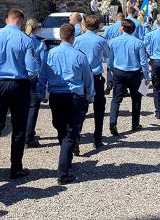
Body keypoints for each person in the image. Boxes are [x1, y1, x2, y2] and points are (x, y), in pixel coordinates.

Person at [0, 9, 37, 190]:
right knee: (18, 127)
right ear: (21, 22)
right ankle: (15, 167)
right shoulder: (25, 40)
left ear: (7, 19)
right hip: (18, 85)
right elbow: (32, 70)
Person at [38, 23, 94, 185]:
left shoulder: (49, 55)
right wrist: (90, 95)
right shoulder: (79, 55)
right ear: (73, 37)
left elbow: (42, 76)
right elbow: (87, 78)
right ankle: (63, 172)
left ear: (60, 36)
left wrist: (42, 93)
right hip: (74, 97)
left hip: (56, 96)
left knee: (62, 130)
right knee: (70, 133)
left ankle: (66, 159)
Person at [107, 19, 149, 136]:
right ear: (133, 30)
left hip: (119, 72)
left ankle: (113, 122)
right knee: (136, 99)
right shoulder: (139, 42)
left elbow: (110, 60)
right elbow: (143, 62)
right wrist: (147, 76)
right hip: (134, 73)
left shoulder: (113, 42)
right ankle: (135, 124)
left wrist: (112, 71)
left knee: (116, 99)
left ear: (121, 28)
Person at [73, 15, 110, 150]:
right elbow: (107, 56)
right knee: (99, 109)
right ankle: (97, 139)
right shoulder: (101, 40)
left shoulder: (77, 40)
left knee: (81, 109)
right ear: (98, 26)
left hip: (81, 78)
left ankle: (76, 138)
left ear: (85, 25)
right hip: (95, 77)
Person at [25, 18, 48, 148]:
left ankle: (26, 132)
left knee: (23, 107)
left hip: (21, 77)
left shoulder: (22, 40)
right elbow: (44, 66)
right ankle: (29, 137)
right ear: (37, 29)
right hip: (35, 77)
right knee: (33, 107)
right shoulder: (40, 44)